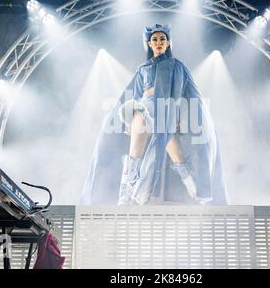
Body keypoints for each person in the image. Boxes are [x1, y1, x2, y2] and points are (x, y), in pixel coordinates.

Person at [81, 23, 229, 205]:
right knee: (135, 152)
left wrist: (186, 116)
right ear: (149, 44)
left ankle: (194, 188)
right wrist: (124, 123)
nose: (159, 42)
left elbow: (190, 92)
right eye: (155, 40)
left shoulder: (177, 66)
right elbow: (131, 93)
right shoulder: (143, 68)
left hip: (165, 113)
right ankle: (125, 194)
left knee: (177, 155)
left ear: (168, 43)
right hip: (145, 108)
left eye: (162, 39)